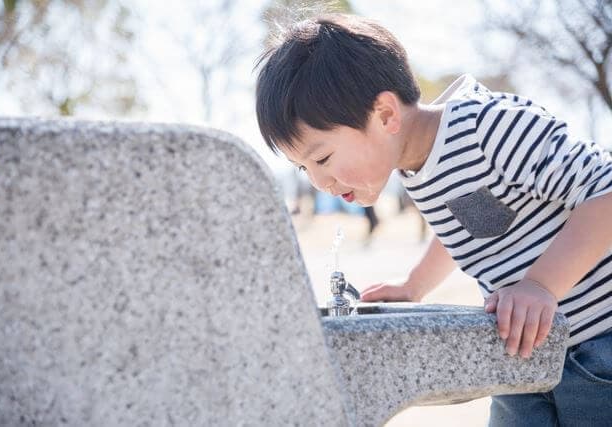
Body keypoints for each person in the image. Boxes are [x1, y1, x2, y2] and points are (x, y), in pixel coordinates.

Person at [254, 13, 612, 426]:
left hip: (597, 347)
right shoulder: (416, 165)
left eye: (322, 158)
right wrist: (414, 285)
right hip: (524, 354)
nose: (319, 181)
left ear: (386, 115)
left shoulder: (487, 128)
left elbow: (604, 192)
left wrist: (540, 285)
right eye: (303, 169)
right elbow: (469, 224)